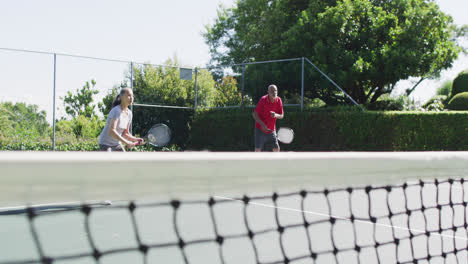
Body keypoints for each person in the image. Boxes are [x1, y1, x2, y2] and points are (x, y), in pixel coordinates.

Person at [252, 84, 284, 152]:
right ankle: (255, 162)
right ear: (268, 92)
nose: (274, 92)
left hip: (272, 130)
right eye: (272, 91)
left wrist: (275, 115)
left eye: (275, 90)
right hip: (260, 129)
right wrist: (262, 125)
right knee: (257, 150)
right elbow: (254, 114)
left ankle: (276, 162)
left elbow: (281, 115)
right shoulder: (263, 100)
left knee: (276, 149)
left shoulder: (279, 100)